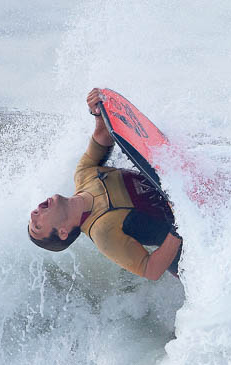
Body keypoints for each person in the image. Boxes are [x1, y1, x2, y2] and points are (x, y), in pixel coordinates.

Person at [28, 88, 183, 282]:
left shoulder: (84, 175)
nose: (33, 213)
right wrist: (181, 222)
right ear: (63, 232)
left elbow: (103, 135)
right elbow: (151, 270)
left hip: (179, 194)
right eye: (37, 225)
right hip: (190, 249)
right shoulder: (103, 233)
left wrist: (98, 113)